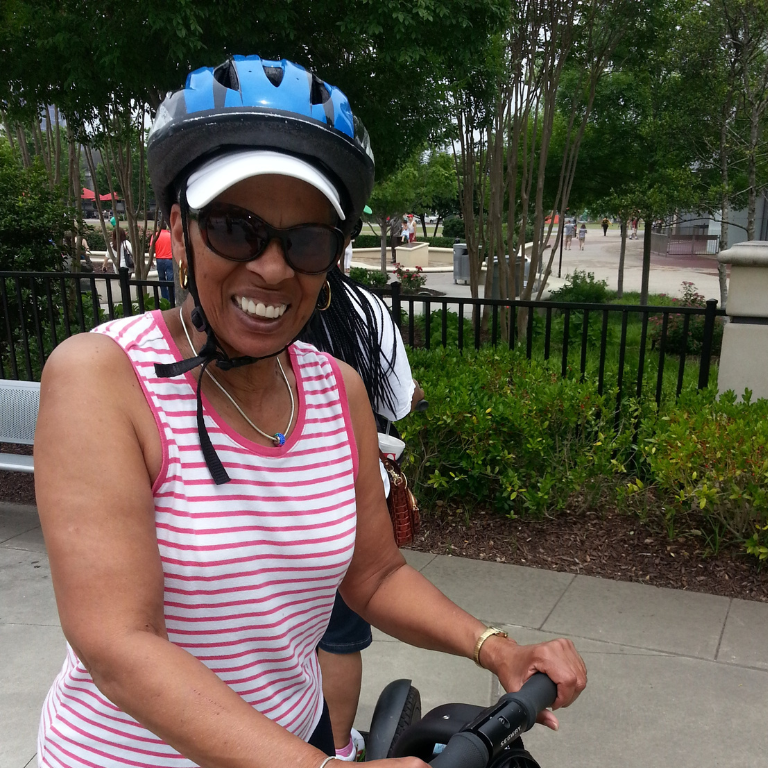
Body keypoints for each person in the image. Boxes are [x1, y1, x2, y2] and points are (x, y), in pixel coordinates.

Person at [34, 54, 585, 768]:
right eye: (236, 228)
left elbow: (375, 574)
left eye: (306, 241)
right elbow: (119, 644)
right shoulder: (102, 378)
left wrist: (496, 647)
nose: (271, 267)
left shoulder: (335, 388)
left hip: (294, 744)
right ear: (180, 225)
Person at [301, 268, 423, 761]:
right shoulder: (365, 308)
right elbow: (399, 399)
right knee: (339, 633)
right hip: (342, 485)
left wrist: (487, 644)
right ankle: (337, 748)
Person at [153, 224, 174, 300]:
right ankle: (171, 298)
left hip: (159, 259)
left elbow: (151, 248)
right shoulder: (170, 235)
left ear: (158, 227)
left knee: (161, 279)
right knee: (170, 280)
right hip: (169, 259)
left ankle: (164, 298)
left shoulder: (155, 235)